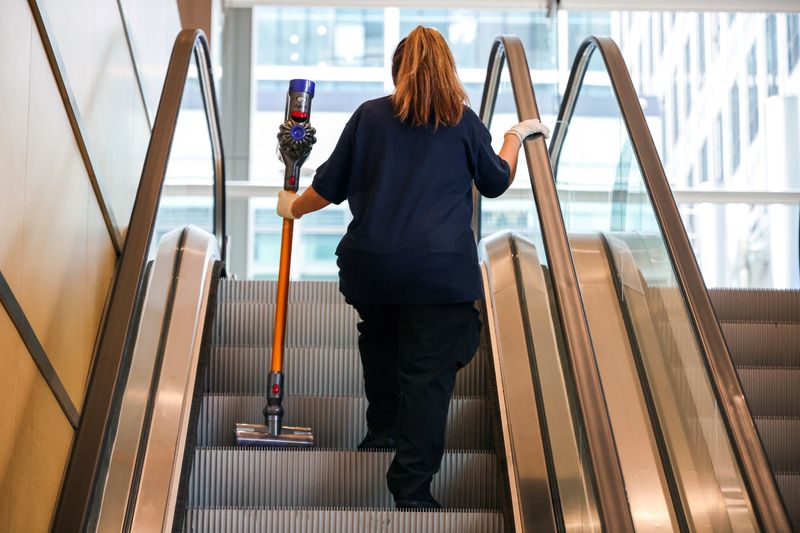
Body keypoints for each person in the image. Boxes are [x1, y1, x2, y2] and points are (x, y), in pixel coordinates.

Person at [276, 25, 547, 509]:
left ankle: (381, 432)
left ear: (397, 71)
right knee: (426, 374)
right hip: (439, 274)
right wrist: (513, 136)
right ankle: (412, 491)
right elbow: (497, 180)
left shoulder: (369, 117)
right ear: (449, 70)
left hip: (374, 268)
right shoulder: (462, 121)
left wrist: (291, 208)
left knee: (380, 338)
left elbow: (329, 187)